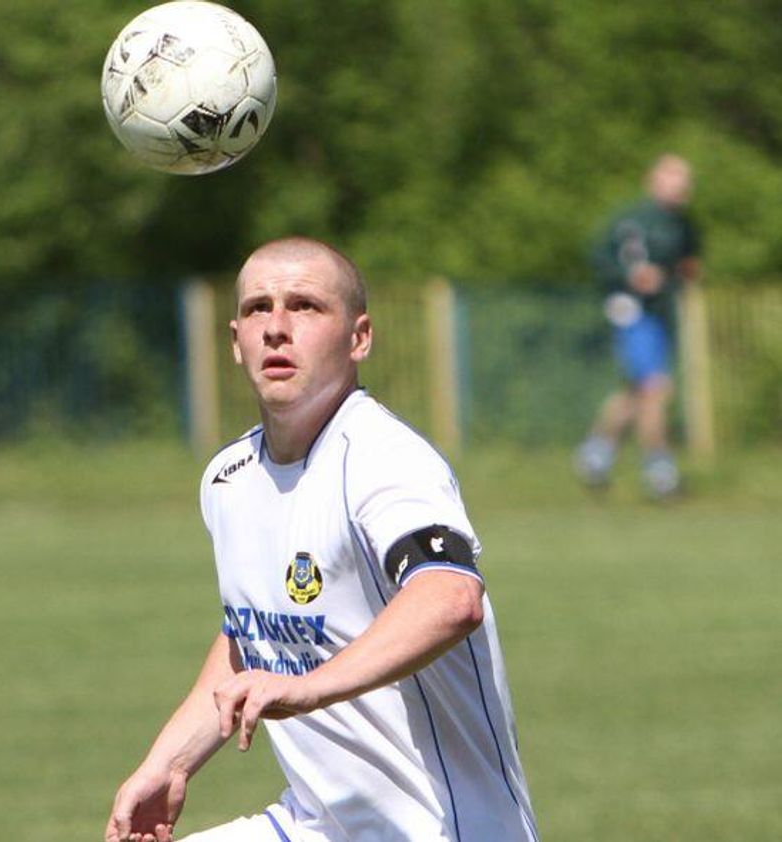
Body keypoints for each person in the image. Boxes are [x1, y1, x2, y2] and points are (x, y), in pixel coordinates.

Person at [105, 237, 538, 842]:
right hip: (316, 825)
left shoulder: (383, 459)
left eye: (305, 306)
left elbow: (450, 598)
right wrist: (170, 763)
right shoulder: (229, 478)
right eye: (258, 308)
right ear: (235, 341)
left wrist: (306, 689)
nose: (277, 328)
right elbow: (249, 632)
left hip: (440, 831)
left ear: (359, 337)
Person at [575, 154, 703, 498]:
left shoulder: (684, 224)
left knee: (636, 391)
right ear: (654, 180)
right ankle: (660, 471)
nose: (681, 185)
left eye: (685, 179)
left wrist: (681, 278)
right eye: (673, 177)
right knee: (655, 389)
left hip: (664, 316)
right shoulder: (631, 219)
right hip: (633, 312)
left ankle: (595, 454)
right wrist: (631, 277)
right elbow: (601, 258)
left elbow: (689, 264)